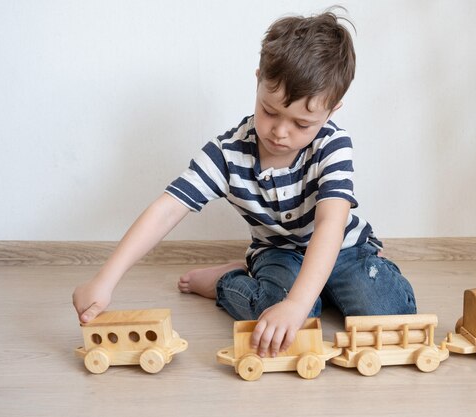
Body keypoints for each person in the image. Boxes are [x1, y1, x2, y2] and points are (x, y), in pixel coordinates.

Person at [72, 8, 416, 360]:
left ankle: (320, 287)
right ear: (258, 80)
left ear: (331, 111)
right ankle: (226, 281)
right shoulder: (227, 153)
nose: (281, 132)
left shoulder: (333, 146)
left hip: (344, 248)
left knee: (389, 314)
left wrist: (297, 301)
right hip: (279, 253)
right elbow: (167, 209)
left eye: (302, 124)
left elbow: (331, 222)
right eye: (270, 111)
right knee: (281, 326)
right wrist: (105, 279)